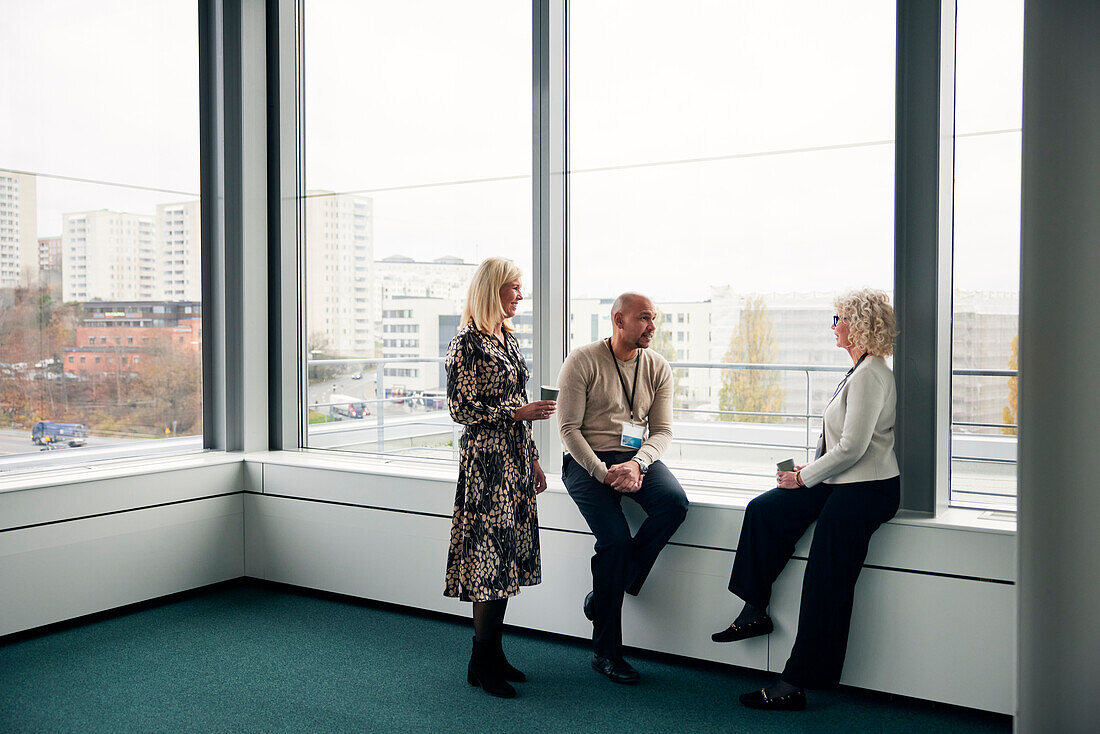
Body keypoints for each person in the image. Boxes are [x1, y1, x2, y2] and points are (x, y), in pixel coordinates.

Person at [712, 288, 901, 711]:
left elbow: (853, 448)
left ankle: (794, 682)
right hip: (840, 480)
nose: (833, 326)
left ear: (858, 324)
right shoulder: (859, 369)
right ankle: (754, 609)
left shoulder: (871, 375)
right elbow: (841, 444)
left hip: (866, 489)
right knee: (765, 510)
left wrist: (803, 477)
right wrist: (803, 476)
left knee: (825, 580)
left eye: (837, 319)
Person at [557, 292, 689, 684]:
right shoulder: (582, 361)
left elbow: (662, 431)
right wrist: (603, 473)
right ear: (618, 320)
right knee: (614, 542)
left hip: (634, 459)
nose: (652, 327)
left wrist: (637, 463)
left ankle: (607, 593)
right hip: (587, 462)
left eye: (655, 319)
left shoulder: (658, 366)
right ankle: (606, 654)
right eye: (645, 318)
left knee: (674, 504)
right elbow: (568, 430)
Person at [444, 257, 557, 699]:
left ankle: (493, 655)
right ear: (493, 289)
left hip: (512, 461)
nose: (520, 296)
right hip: (486, 465)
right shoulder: (465, 344)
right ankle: (480, 658)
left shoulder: (507, 338)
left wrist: (531, 458)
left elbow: (520, 398)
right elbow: (460, 409)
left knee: (505, 559)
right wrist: (514, 414)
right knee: (488, 561)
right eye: (514, 288)